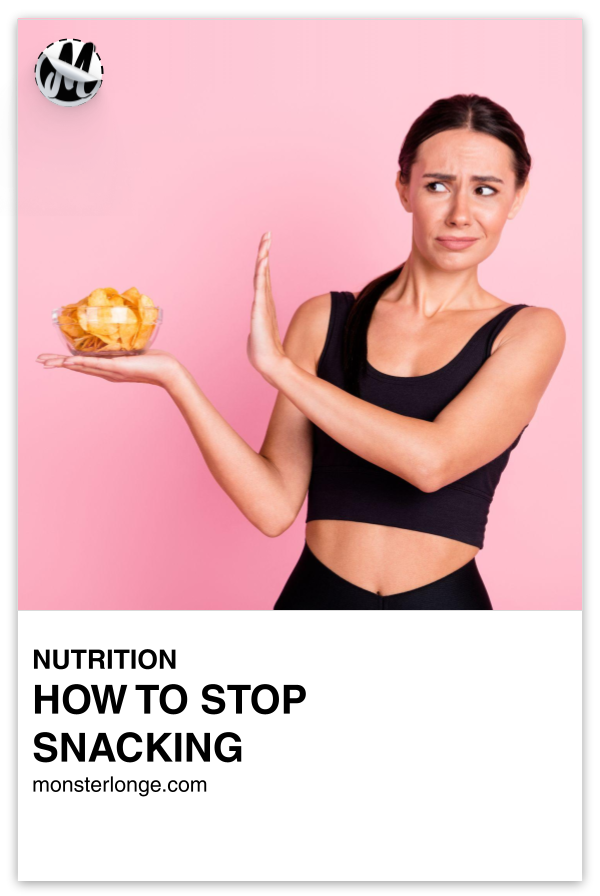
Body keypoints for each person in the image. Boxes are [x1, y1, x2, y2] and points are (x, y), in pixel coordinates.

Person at [37, 94, 566, 610]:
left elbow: (432, 463)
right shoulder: (325, 320)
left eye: (486, 190)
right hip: (317, 602)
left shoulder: (527, 332)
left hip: (445, 609)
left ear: (516, 198)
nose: (459, 213)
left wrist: (280, 370)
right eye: (437, 185)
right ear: (404, 188)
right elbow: (272, 508)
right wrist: (176, 379)